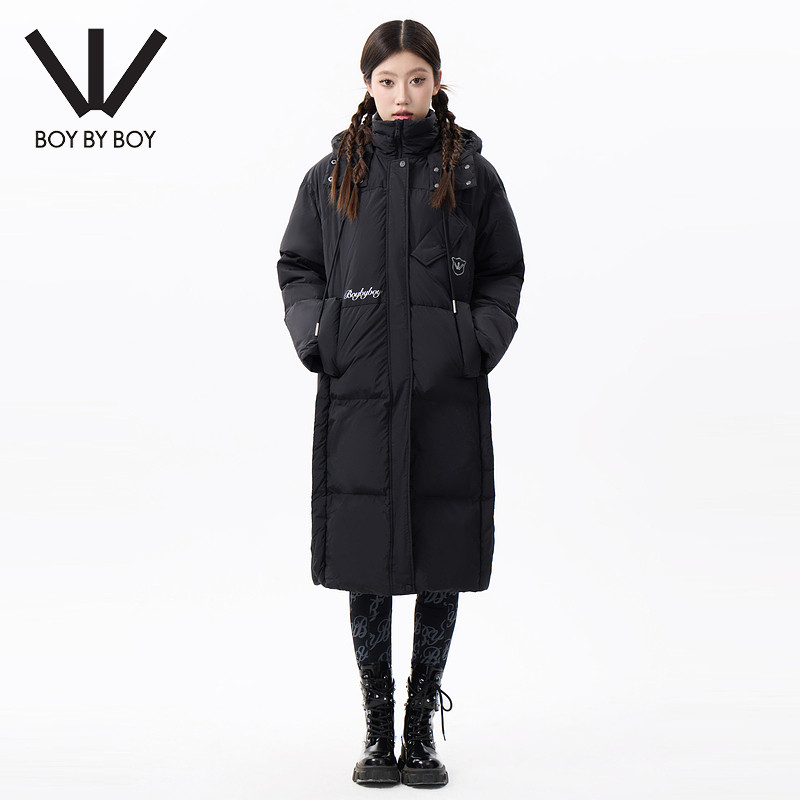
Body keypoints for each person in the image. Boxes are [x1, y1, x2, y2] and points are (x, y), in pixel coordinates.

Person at [276, 19, 525, 787]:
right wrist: (318, 331)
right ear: (368, 87)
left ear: (438, 82)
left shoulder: (471, 175)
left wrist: (475, 341)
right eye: (388, 81)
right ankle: (376, 731)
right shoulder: (332, 176)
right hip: (360, 393)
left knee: (441, 555)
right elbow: (298, 264)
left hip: (445, 393)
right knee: (367, 558)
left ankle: (420, 732)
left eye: (417, 79)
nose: (403, 94)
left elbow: (503, 270)